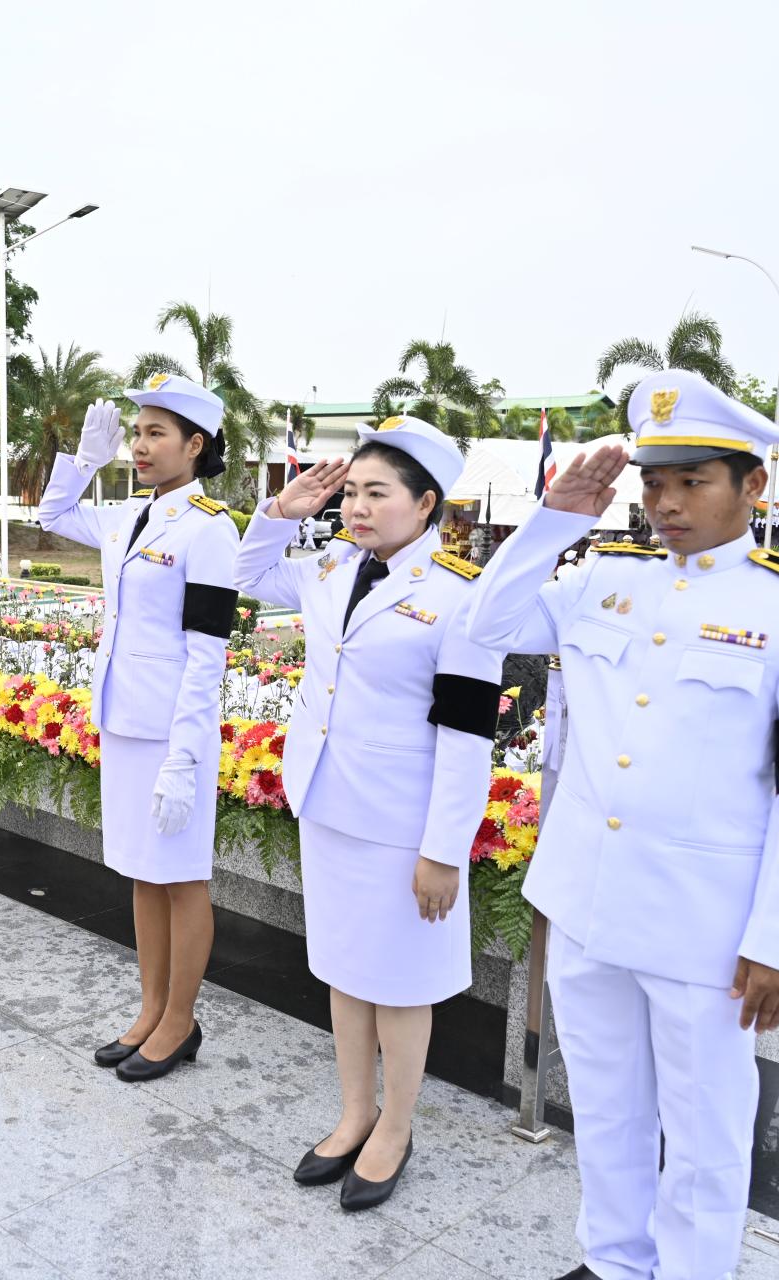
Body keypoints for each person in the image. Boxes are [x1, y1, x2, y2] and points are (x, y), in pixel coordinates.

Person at [464, 371, 779, 1280]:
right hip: (587, 899)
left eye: (693, 481)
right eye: (654, 483)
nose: (667, 504)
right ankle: (614, 1260)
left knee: (704, 1129)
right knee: (606, 1104)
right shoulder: (606, 578)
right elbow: (486, 626)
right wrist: (554, 520)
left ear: (752, 484)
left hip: (705, 924)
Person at [234, 416, 500, 1213]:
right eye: (350, 492)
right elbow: (247, 573)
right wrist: (279, 512)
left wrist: (443, 849)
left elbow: (466, 738)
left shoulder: (459, 598)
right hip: (329, 802)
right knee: (344, 968)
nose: (356, 507)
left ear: (426, 504)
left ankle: (396, 1127)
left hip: (402, 824)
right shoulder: (329, 569)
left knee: (402, 983)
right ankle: (355, 1112)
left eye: (376, 493)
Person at [40, 373, 239, 1083]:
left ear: (196, 445)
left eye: (157, 433)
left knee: (181, 878)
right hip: (124, 719)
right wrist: (83, 461)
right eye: (137, 433)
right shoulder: (129, 516)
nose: (141, 446)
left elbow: (207, 654)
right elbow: (54, 511)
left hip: (171, 731)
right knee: (142, 874)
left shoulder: (210, 529)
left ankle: (181, 1020)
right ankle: (151, 1008)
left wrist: (185, 758)